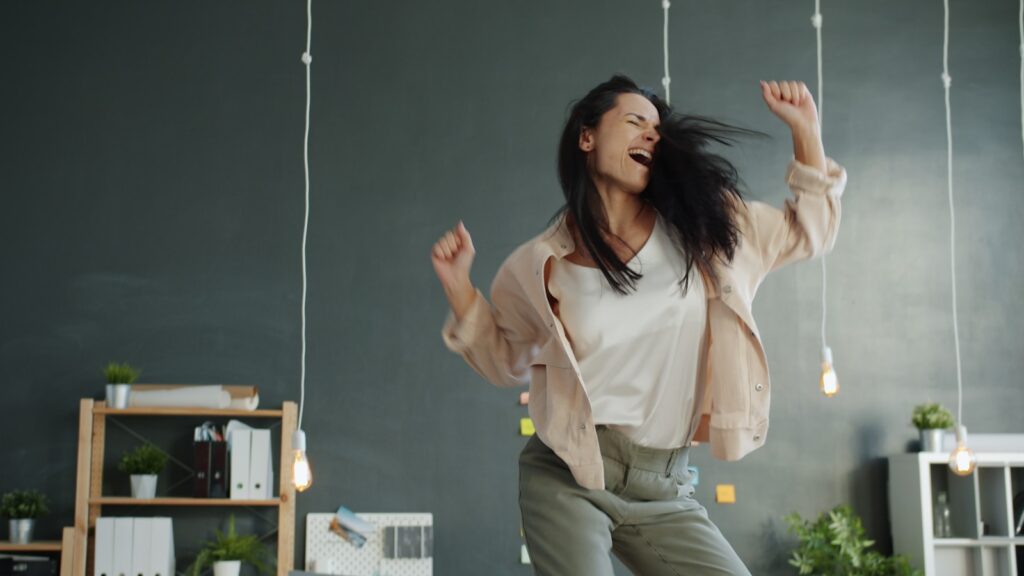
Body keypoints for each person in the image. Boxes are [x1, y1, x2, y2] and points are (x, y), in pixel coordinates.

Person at [431, 74, 847, 575]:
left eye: (657, 129)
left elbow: (811, 232)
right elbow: (505, 362)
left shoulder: (713, 230)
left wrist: (806, 131)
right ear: (587, 137)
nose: (651, 135)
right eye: (634, 122)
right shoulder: (541, 264)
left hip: (665, 485)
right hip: (570, 474)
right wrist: (460, 288)